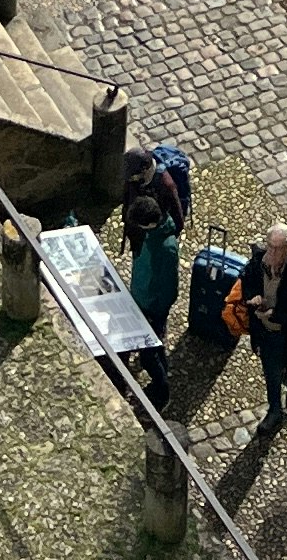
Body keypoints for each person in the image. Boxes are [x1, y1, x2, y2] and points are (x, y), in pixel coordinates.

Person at [238, 220, 287, 430]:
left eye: (277, 248)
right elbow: (246, 280)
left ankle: (275, 412)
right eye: (269, 245)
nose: (271, 251)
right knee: (273, 368)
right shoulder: (258, 262)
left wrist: (274, 315)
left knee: (271, 371)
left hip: (284, 334)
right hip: (262, 330)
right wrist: (251, 298)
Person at [122, 175, 180, 410]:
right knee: (154, 348)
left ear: (148, 223)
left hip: (153, 308)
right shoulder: (150, 235)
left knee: (149, 354)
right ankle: (162, 374)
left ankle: (162, 392)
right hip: (141, 300)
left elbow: (168, 288)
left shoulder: (165, 249)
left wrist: (155, 312)